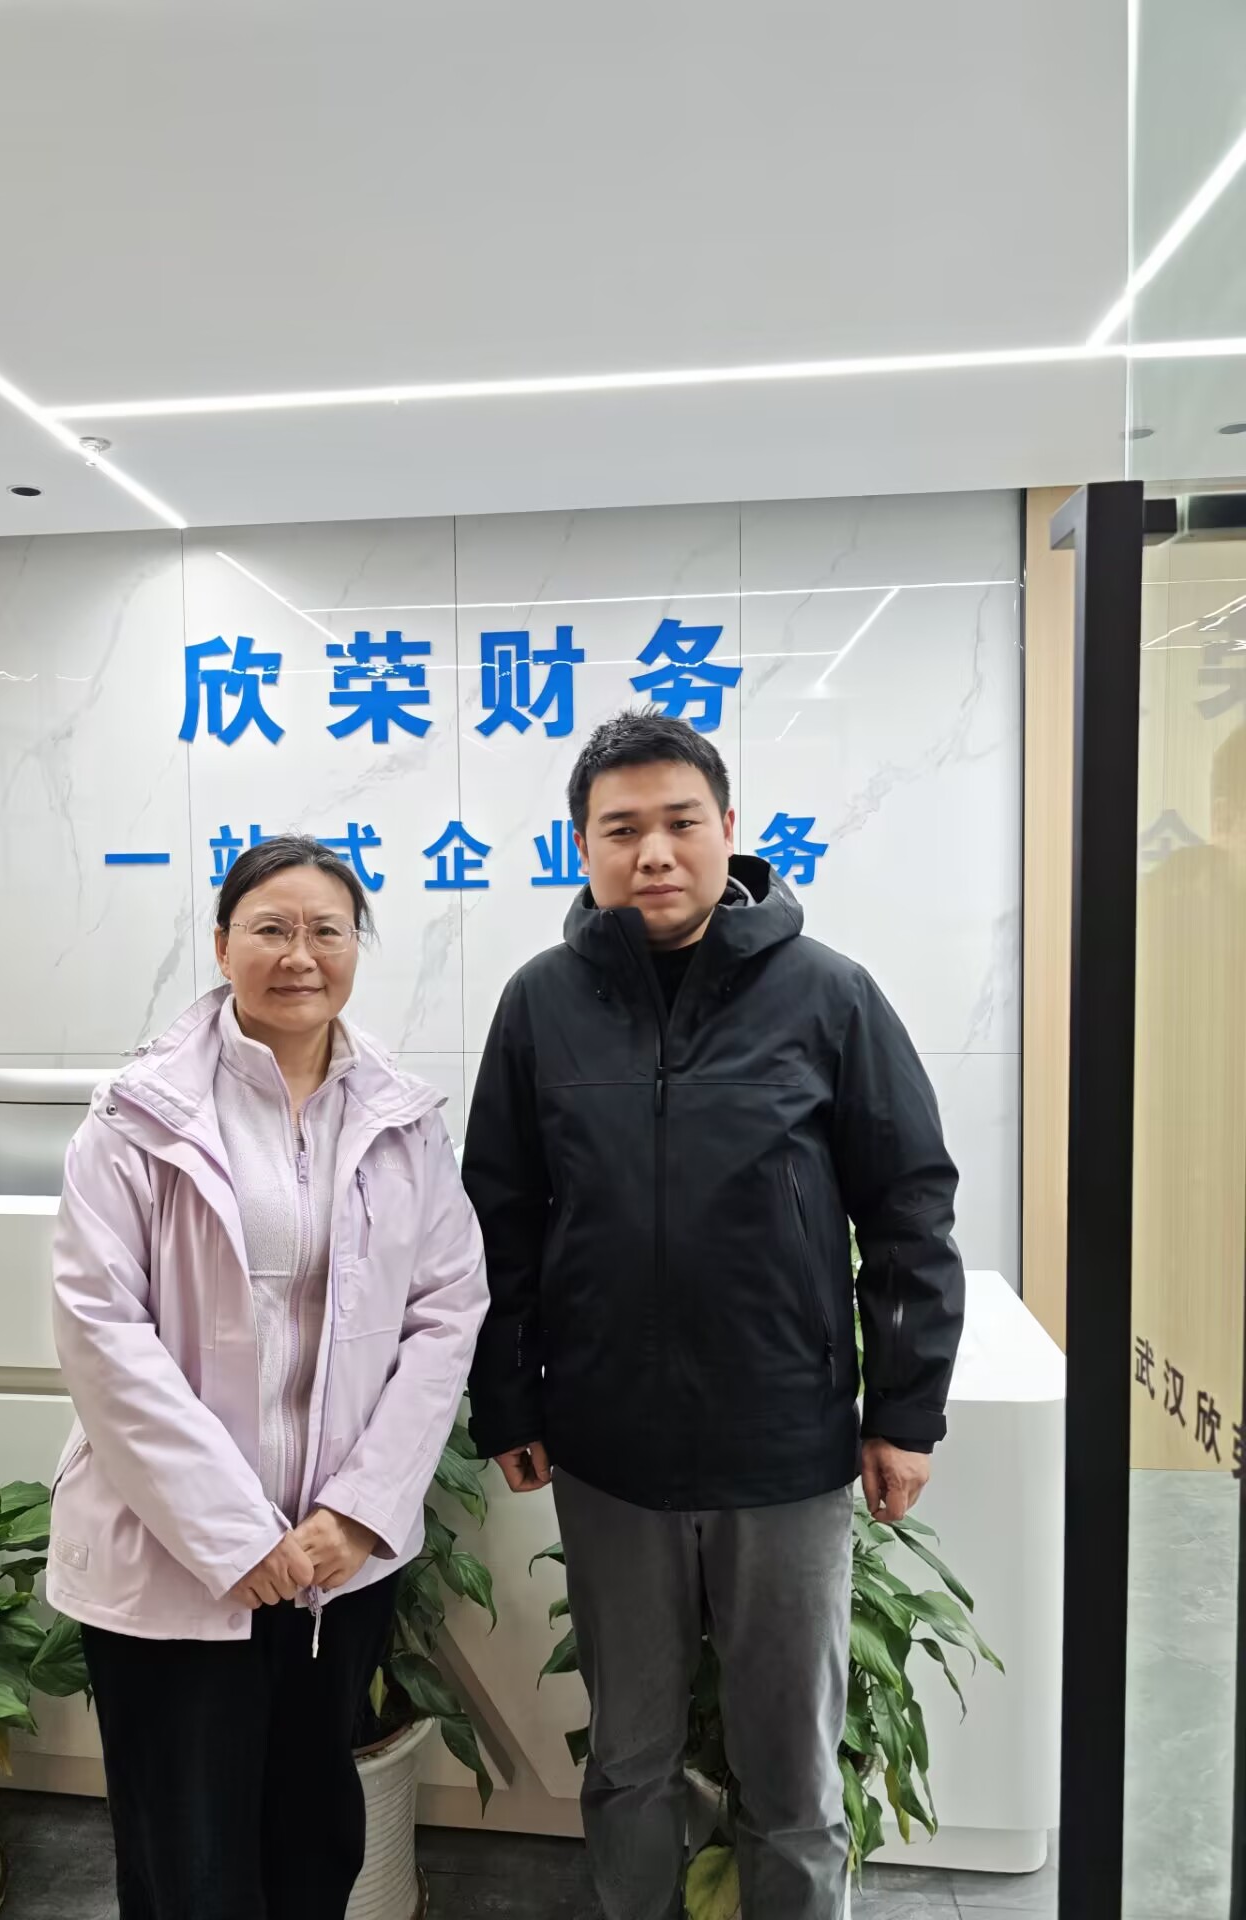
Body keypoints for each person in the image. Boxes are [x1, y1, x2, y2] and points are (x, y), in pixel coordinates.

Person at [464, 711, 965, 1920]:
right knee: (628, 1759)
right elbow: (499, 1215)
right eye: (620, 829)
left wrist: (905, 1413)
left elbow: (909, 1206)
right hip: (610, 1452)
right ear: (582, 846)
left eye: (680, 822)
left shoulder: (829, 995)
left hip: (782, 1448)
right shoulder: (541, 1005)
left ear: (729, 829)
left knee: (791, 1774)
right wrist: (510, 1398)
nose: (654, 852)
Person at [49, 833, 488, 1920]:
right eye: (272, 929)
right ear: (221, 945)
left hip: (335, 1562)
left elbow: (446, 1312)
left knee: (311, 1844)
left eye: (327, 930)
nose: (301, 955)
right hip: (174, 1558)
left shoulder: (402, 1118)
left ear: (357, 948)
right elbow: (101, 1330)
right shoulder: (138, 1116)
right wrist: (234, 1536)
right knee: (188, 1861)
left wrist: (362, 1511)